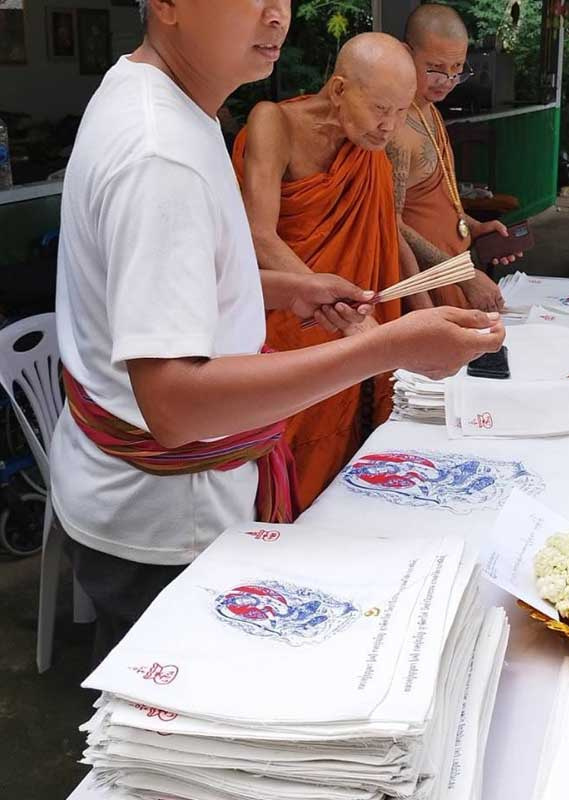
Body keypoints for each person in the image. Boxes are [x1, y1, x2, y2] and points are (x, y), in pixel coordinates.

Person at [51, 0, 505, 662]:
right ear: (168, 5)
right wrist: (386, 346)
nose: (276, 16)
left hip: (161, 507)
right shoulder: (161, 151)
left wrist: (290, 289)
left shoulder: (171, 105)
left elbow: (165, 290)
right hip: (170, 526)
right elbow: (175, 403)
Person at [232, 33, 439, 510]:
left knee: (347, 461)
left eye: (401, 112)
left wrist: (418, 308)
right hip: (287, 321)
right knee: (283, 453)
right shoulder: (274, 122)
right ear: (341, 89)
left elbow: (387, 230)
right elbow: (258, 236)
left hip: (347, 320)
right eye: (381, 108)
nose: (390, 126)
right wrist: (332, 305)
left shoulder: (366, 150)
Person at [388, 3, 520, 313]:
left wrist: (473, 227)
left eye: (457, 69)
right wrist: (464, 276)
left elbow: (437, 203)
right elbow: (389, 225)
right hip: (424, 287)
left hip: (455, 273)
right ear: (407, 53)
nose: (446, 81)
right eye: (434, 68)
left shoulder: (430, 111)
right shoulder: (393, 127)